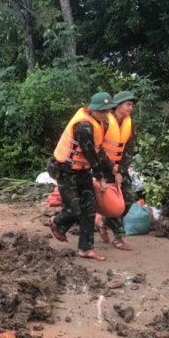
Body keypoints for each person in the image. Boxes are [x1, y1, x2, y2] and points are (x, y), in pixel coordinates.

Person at [48, 92, 117, 261]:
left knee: (89, 209)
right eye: (101, 111)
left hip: (83, 171)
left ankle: (86, 249)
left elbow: (98, 150)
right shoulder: (84, 127)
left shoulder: (101, 123)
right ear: (92, 109)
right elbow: (90, 154)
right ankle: (57, 222)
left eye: (107, 110)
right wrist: (101, 179)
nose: (105, 114)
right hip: (66, 170)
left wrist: (112, 167)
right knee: (74, 208)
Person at [96, 90, 139, 250]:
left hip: (119, 168)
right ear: (118, 105)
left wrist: (121, 171)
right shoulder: (105, 121)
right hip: (103, 167)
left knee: (128, 199)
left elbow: (129, 149)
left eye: (132, 105)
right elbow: (97, 148)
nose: (131, 108)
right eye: (128, 104)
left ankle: (103, 222)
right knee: (113, 202)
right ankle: (119, 238)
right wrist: (111, 166)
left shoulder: (130, 124)